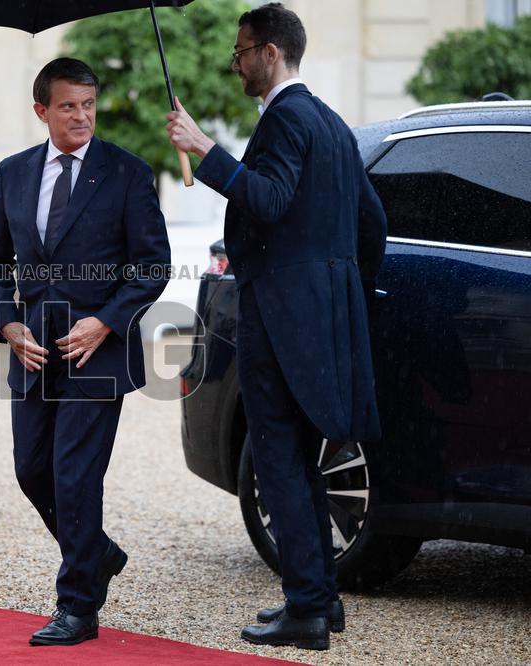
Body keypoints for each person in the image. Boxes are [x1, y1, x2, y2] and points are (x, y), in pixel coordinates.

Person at [166, 3, 387, 652]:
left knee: (280, 461)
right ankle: (322, 601)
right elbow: (370, 223)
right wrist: (341, 293)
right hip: (323, 320)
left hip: (279, 321)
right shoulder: (333, 124)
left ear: (269, 52)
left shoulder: (287, 118)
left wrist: (205, 150)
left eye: (240, 53)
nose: (236, 64)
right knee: (303, 463)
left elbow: (267, 197)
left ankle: (306, 610)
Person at [0, 58, 170, 647]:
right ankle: (97, 552)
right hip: (32, 348)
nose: (81, 115)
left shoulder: (128, 173)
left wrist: (106, 322)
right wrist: (7, 325)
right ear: (41, 111)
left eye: (88, 104)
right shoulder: (11, 174)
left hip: (97, 354)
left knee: (75, 474)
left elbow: (152, 263)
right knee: (32, 469)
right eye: (68, 106)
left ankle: (77, 605)